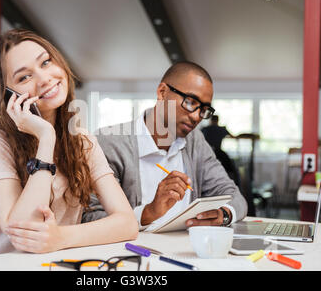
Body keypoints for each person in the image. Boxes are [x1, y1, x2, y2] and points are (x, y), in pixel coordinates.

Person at [0, 29, 137, 259]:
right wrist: (46, 138)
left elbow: (127, 224)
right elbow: (24, 231)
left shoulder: (82, 140)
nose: (44, 79)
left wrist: (60, 237)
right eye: (24, 77)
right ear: (8, 94)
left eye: (46, 62)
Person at [82, 61, 248, 230]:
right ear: (162, 93)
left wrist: (224, 214)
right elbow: (88, 217)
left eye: (204, 109)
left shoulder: (195, 141)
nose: (197, 117)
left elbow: (234, 195)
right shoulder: (108, 142)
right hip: (132, 253)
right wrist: (148, 213)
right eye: (190, 102)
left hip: (187, 251)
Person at [201, 115, 241, 187]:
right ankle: (235, 186)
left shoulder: (205, 129)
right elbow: (233, 136)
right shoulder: (221, 129)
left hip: (206, 153)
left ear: (211, 120)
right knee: (231, 169)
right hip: (217, 153)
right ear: (217, 121)